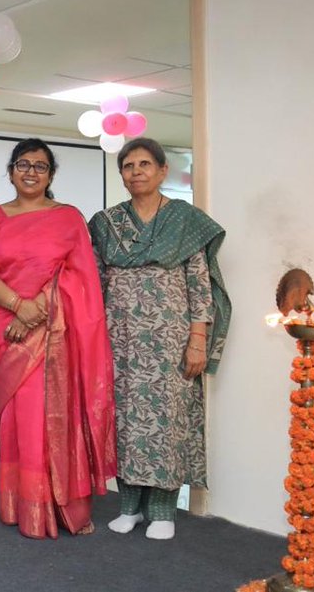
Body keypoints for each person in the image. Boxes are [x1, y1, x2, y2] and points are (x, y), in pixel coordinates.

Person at [0, 138, 116, 539]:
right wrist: (18, 305)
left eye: (40, 166)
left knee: (51, 414)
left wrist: (37, 309)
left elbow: (80, 278)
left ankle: (62, 507)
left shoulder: (68, 218)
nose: (31, 172)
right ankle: (23, 505)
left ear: (51, 175)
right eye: (23, 164)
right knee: (19, 419)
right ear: (11, 170)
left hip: (54, 335)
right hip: (5, 326)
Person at [88, 138, 230, 541]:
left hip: (171, 339)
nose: (136, 171)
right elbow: (94, 281)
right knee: (125, 417)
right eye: (128, 165)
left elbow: (200, 284)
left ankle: (164, 509)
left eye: (144, 164)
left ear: (163, 170)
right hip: (120, 337)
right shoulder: (106, 222)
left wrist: (197, 339)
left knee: (167, 421)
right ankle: (129, 506)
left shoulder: (184, 220)